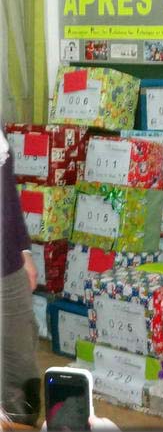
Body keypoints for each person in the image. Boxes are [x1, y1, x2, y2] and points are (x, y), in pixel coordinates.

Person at [0, 128, 40, 427]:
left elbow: (7, 188)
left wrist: (24, 250)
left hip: (9, 262)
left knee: (22, 357)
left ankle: (22, 419)